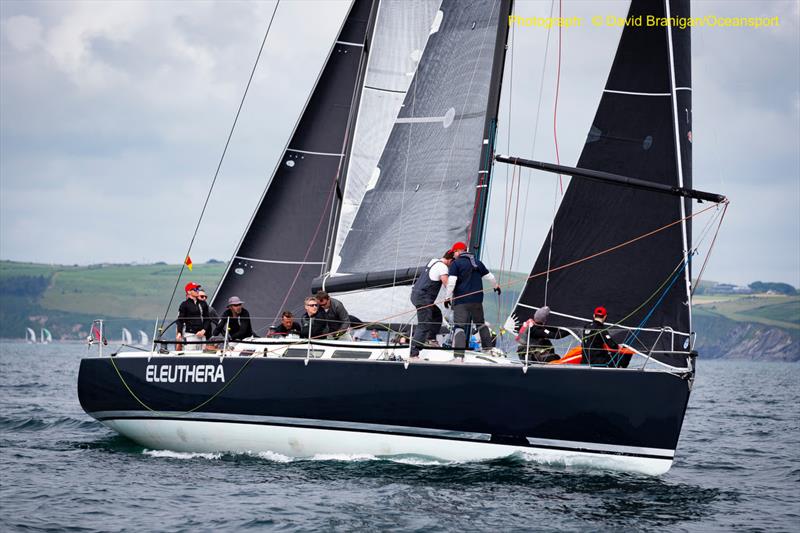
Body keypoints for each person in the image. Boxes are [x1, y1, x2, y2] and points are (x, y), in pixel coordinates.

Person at [445, 241, 500, 359]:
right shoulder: (477, 262)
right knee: (480, 324)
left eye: (454, 252)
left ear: (459, 251)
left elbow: (451, 283)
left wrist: (447, 298)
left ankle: (459, 356)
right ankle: (488, 350)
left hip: (461, 301)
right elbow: (491, 277)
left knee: (459, 327)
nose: (453, 255)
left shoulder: (456, 264)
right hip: (477, 300)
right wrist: (496, 286)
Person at [409, 251, 454, 359]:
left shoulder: (433, 261)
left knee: (437, 314)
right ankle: (414, 352)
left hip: (416, 295)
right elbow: (447, 284)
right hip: (424, 299)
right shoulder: (443, 267)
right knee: (424, 324)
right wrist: (449, 297)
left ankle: (430, 339)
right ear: (450, 260)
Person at [176, 282, 211, 349]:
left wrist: (203, 330)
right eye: (195, 289)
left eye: (198, 289)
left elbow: (207, 319)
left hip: (202, 335)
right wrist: (179, 333)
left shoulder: (203, 303)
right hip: (190, 335)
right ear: (189, 292)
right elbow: (180, 320)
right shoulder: (184, 304)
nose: (198, 291)